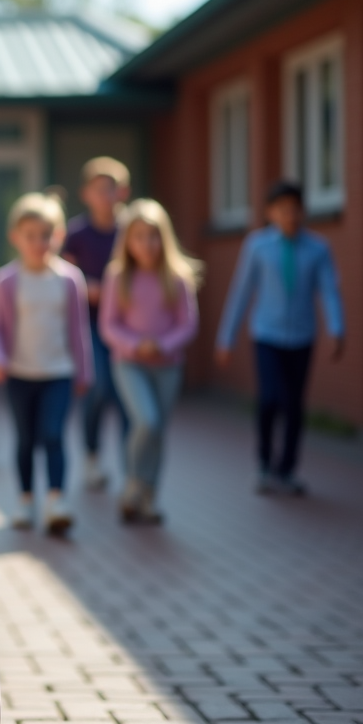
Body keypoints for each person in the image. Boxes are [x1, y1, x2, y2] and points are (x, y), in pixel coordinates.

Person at [215, 180, 344, 496]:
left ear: (303, 212)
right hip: (267, 335)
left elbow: (329, 290)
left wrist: (337, 328)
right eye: (283, 209)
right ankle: (264, 463)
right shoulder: (257, 246)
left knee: (294, 404)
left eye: (295, 209)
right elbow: (241, 292)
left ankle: (287, 469)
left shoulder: (318, 248)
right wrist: (226, 338)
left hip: (301, 336)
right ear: (270, 213)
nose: (290, 216)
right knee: (270, 398)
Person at [0, 192, 92, 536]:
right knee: (26, 439)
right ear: (16, 237)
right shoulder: (6, 280)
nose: (38, 243)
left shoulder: (70, 279)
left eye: (45, 235)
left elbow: (78, 328)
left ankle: (57, 501)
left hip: (59, 373)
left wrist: (84, 370)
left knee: (53, 435)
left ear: (58, 236)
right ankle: (26, 500)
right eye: (30, 236)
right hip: (20, 374)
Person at [99, 200, 201, 524]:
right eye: (139, 237)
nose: (146, 244)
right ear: (128, 241)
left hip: (168, 366)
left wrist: (163, 345)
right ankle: (133, 483)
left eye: (153, 236)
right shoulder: (118, 276)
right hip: (129, 364)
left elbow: (188, 324)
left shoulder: (178, 277)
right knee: (147, 421)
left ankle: (149, 497)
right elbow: (108, 325)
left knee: (158, 431)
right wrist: (135, 344)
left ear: (164, 238)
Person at [62, 156, 130, 490]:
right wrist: (86, 287)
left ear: (123, 192)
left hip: (129, 326)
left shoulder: (131, 230)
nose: (105, 195)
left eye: (111, 188)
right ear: (86, 194)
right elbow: (64, 275)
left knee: (127, 397)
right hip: (90, 325)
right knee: (98, 388)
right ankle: (92, 456)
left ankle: (132, 471)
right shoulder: (76, 234)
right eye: (98, 189)